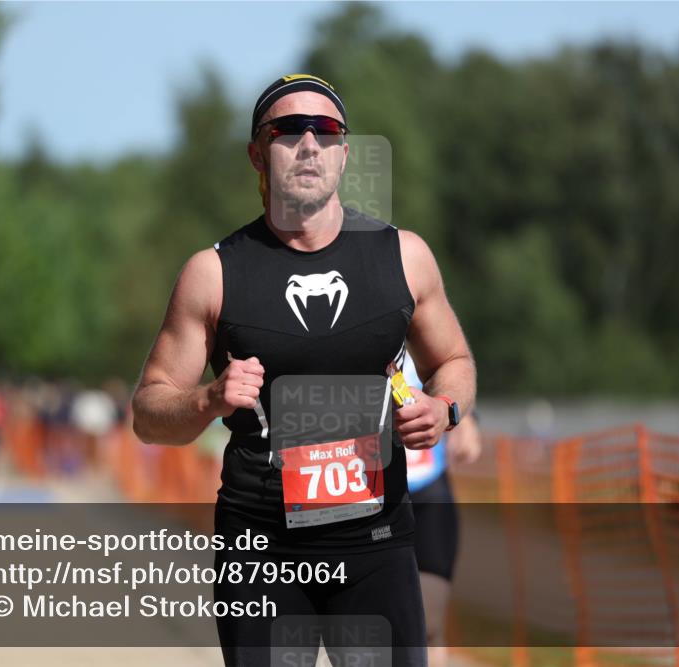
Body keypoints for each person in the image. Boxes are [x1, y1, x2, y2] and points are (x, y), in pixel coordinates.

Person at [132, 73, 477, 666]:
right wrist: (208, 400)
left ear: (345, 152)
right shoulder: (214, 273)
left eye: (327, 130)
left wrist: (444, 409)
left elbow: (454, 361)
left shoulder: (404, 257)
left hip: (376, 543)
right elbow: (147, 412)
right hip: (260, 548)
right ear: (257, 154)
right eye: (289, 130)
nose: (310, 143)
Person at [403, 353, 482, 667]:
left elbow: (454, 368)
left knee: (427, 624)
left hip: (427, 494)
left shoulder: (420, 335)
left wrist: (467, 419)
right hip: (362, 501)